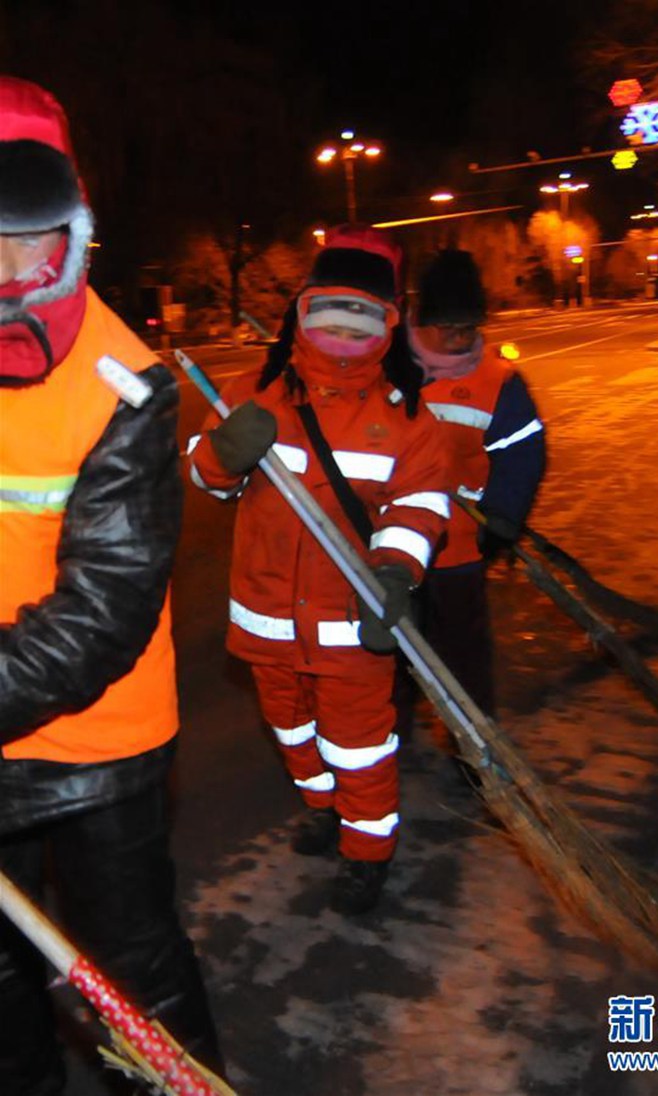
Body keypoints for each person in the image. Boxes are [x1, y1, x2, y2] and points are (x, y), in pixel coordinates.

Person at [0, 77, 222, 1094]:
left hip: (99, 748)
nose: (5, 275)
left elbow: (105, 612)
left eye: (28, 242)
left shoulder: (127, 386)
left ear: (73, 232)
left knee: (127, 974)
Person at [189, 225, 450, 915]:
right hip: (267, 617)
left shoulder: (406, 415)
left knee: (358, 743)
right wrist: (222, 454)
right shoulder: (257, 389)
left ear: (388, 326)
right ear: (302, 312)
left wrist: (395, 573)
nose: (341, 331)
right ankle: (321, 806)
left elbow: (420, 506)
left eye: (361, 316)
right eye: (327, 312)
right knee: (291, 728)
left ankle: (368, 854)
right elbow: (205, 479)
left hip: (350, 622)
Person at [406, 248, 547, 718]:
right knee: (390, 648)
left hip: (458, 546)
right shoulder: (385, 369)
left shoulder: (498, 382)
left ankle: (473, 747)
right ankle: (390, 733)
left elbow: (523, 452)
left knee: (462, 650)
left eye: (467, 328)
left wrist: (504, 514)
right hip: (384, 544)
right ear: (420, 320)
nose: (458, 339)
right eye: (447, 327)